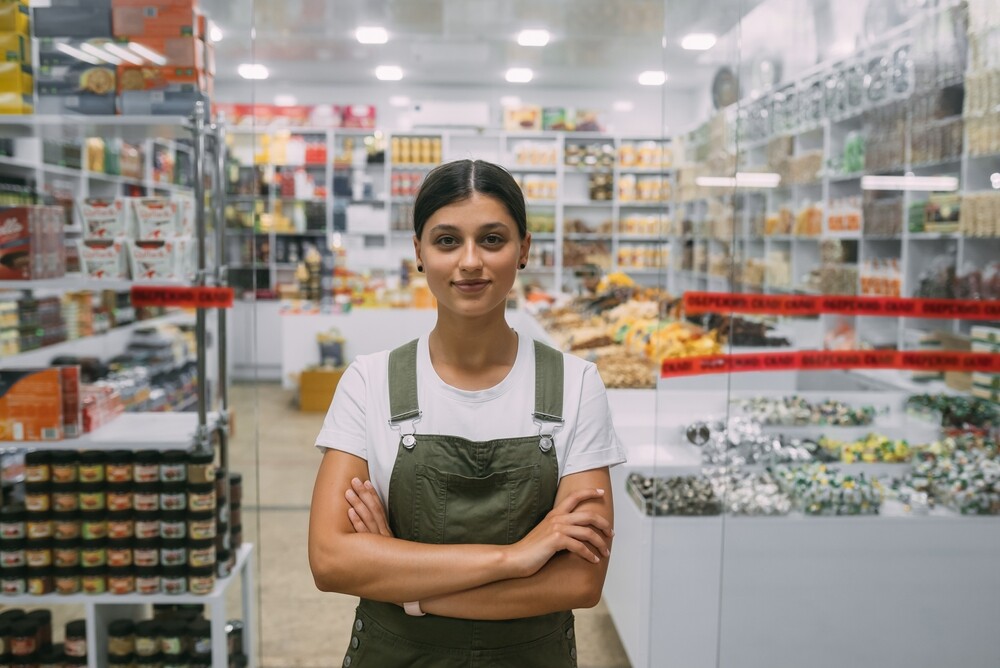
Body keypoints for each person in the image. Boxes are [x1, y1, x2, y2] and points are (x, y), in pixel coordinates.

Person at [308, 158, 626, 667]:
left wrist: (405, 586)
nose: (471, 261)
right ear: (418, 251)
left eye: (493, 240)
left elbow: (579, 579)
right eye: (447, 240)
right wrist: (516, 558)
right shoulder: (369, 384)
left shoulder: (576, 385)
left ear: (524, 249)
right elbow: (330, 561)